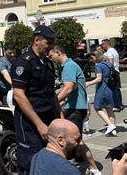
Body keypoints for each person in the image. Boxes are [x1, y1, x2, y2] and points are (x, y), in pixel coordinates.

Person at [10, 25, 62, 174]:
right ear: (36, 40)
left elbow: (51, 93)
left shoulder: (48, 63)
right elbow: (19, 95)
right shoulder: (23, 62)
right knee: (30, 161)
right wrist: (39, 124)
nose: (51, 46)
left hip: (48, 117)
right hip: (29, 122)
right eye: (48, 42)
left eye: (52, 42)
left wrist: (61, 117)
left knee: (50, 158)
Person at [49, 45, 100, 174]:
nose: (51, 59)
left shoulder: (69, 66)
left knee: (75, 141)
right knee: (74, 140)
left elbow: (69, 88)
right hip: (76, 107)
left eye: (51, 56)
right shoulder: (70, 65)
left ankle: (94, 168)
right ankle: (80, 163)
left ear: (58, 52)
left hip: (75, 108)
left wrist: (54, 102)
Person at [86, 50, 116, 136]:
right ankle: (113, 129)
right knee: (109, 109)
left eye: (92, 57)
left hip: (102, 89)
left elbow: (99, 79)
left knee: (97, 107)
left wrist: (88, 83)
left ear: (97, 57)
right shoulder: (109, 64)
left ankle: (110, 125)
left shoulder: (98, 66)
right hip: (110, 88)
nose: (91, 59)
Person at [101, 39, 122, 111]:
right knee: (117, 89)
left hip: (112, 72)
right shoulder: (114, 50)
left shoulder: (109, 52)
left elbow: (110, 62)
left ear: (106, 44)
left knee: (114, 89)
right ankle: (119, 104)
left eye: (102, 45)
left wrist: (107, 71)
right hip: (116, 71)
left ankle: (116, 105)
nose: (102, 47)